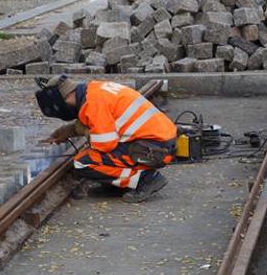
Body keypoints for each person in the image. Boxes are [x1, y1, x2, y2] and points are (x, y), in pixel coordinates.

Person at [38, 75, 177, 203]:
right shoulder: (94, 89)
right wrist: (67, 131)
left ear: (67, 97)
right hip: (158, 140)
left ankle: (146, 179)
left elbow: (105, 145)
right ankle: (118, 185)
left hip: (153, 149)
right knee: (91, 155)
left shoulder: (93, 104)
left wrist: (83, 131)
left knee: (82, 163)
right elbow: (99, 122)